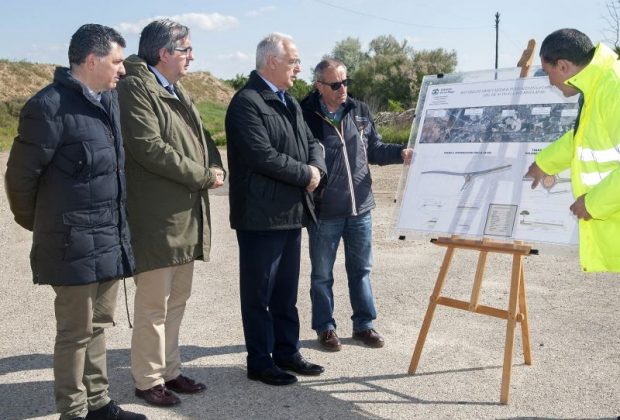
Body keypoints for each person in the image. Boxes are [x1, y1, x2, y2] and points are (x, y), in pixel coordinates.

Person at [4, 24, 145, 420]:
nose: (122, 70)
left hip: (109, 238)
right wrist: (48, 224)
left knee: (99, 326)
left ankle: (99, 404)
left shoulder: (108, 103)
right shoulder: (48, 107)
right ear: (91, 60)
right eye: (117, 62)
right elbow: (19, 179)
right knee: (74, 334)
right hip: (72, 244)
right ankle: (74, 412)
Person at [116, 19, 225, 407]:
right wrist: (202, 176)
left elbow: (202, 138)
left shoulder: (175, 88)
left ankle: (170, 370)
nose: (192, 56)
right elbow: (149, 147)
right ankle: (147, 380)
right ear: (164, 53)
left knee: (176, 301)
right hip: (157, 219)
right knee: (153, 307)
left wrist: (216, 165)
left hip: (184, 216)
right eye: (186, 50)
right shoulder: (134, 88)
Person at [225, 33, 327, 386]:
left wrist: (317, 170)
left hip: (291, 213)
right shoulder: (247, 102)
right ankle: (261, 360)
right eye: (293, 61)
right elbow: (261, 155)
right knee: (259, 294)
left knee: (285, 292)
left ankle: (287, 351)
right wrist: (306, 175)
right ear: (271, 62)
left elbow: (311, 142)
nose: (299, 67)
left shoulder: (289, 102)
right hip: (260, 216)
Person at [300, 58, 413, 351]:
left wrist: (401, 153)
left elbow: (374, 149)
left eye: (345, 82)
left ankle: (364, 325)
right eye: (335, 84)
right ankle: (325, 328)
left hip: (360, 207)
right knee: (322, 274)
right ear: (319, 86)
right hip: (324, 211)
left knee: (361, 269)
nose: (343, 89)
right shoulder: (305, 114)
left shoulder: (359, 110)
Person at [525, 28, 620, 272]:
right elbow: (584, 138)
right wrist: (544, 163)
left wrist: (593, 204)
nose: (549, 82)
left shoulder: (613, 88)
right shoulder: (599, 84)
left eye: (549, 73)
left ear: (564, 66)